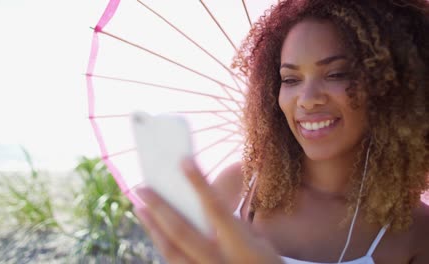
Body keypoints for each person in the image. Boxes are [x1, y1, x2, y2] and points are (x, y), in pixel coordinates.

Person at [135, 0, 429, 263]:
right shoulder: (236, 188)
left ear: (391, 87)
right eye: (290, 79)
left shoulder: (416, 232)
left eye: (336, 74)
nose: (308, 97)